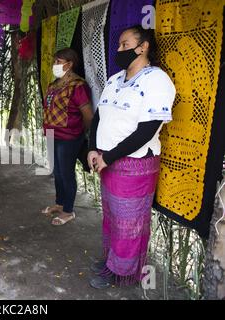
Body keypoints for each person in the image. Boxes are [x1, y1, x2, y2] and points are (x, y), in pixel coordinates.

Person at [87, 25, 176, 289]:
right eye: (119, 45)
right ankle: (111, 261)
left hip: (134, 164)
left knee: (130, 222)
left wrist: (110, 156)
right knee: (113, 217)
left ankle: (122, 272)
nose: (119, 50)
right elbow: (99, 116)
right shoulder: (115, 80)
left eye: (125, 45)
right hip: (107, 160)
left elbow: (147, 130)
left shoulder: (157, 80)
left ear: (143, 46)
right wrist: (93, 148)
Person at [41, 48, 94, 226]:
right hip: (51, 134)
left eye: (59, 61)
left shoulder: (78, 86)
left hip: (69, 137)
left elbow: (87, 114)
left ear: (69, 64)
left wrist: (84, 134)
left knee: (66, 173)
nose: (55, 65)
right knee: (57, 172)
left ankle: (68, 211)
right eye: (54, 61)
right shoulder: (54, 85)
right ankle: (60, 203)